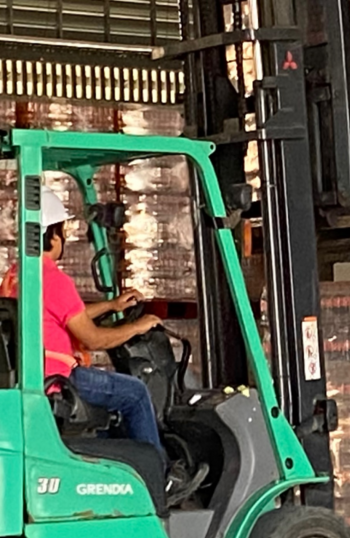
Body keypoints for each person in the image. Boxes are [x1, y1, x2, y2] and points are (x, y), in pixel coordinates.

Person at [2, 186, 206, 507]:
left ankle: (129, 467)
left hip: (36, 377)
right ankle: (163, 478)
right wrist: (137, 326)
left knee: (116, 410)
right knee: (135, 393)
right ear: (52, 235)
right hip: (62, 381)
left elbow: (64, 316)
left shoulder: (17, 275)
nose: (65, 238)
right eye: (62, 231)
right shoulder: (54, 279)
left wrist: (111, 306)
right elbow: (93, 339)